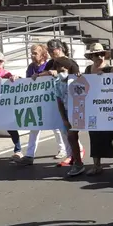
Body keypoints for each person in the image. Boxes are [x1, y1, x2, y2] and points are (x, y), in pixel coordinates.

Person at [32, 38, 84, 166]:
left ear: (59, 49)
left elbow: (77, 78)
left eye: (52, 49)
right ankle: (73, 156)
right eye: (48, 50)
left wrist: (60, 73)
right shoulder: (51, 63)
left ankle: (76, 158)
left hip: (71, 102)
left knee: (71, 132)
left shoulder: (71, 63)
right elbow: (45, 73)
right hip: (58, 99)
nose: (50, 52)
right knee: (64, 130)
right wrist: (38, 76)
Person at [18, 44, 69, 165]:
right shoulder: (31, 67)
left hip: (51, 100)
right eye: (31, 53)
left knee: (56, 127)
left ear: (43, 54)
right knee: (34, 127)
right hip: (37, 101)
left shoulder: (49, 64)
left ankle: (64, 150)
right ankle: (29, 155)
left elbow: (58, 73)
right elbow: (28, 82)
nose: (32, 55)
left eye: (35, 53)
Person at [82, 43, 113, 176]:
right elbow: (83, 84)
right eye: (96, 54)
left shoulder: (110, 69)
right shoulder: (88, 70)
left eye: (101, 54)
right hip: (93, 107)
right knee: (94, 134)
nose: (99, 57)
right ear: (91, 57)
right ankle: (96, 165)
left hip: (108, 106)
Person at [52, 57, 85, 177]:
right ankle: (78, 163)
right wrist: (64, 119)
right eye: (59, 71)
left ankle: (97, 164)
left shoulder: (77, 78)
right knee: (72, 137)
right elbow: (59, 102)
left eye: (64, 70)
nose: (62, 73)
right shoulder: (56, 82)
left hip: (81, 110)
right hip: (68, 113)